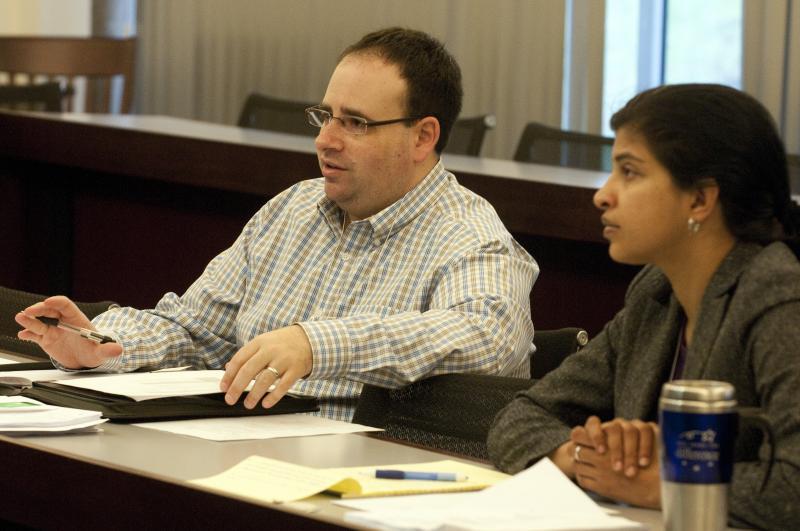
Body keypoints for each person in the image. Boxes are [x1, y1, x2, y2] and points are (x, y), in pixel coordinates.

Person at [15, 27, 537, 421]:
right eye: (325, 116)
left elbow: (489, 337)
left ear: (423, 137)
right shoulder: (293, 210)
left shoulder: (471, 235)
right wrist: (101, 342)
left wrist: (316, 344)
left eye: (354, 123)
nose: (326, 140)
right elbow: (198, 329)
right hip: (249, 455)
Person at [487, 84, 800, 530]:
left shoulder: (779, 299)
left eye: (629, 173)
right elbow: (520, 417)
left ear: (699, 200)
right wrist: (590, 458)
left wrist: (662, 484)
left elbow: (793, 487)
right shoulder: (657, 293)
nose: (603, 195)